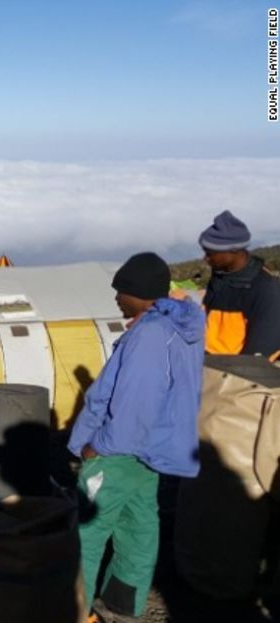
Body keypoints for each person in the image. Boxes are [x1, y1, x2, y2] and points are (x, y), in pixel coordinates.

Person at [67, 252, 205, 621]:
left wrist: (98, 447)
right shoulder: (177, 328)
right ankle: (121, 605)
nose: (116, 299)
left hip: (118, 452)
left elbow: (135, 405)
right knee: (138, 530)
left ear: (142, 294)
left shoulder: (149, 336)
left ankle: (72, 610)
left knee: (86, 533)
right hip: (150, 452)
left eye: (122, 292)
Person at [198, 210, 280, 360]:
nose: (205, 259)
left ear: (233, 251)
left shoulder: (267, 290)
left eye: (210, 253)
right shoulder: (219, 278)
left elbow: (258, 360)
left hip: (237, 377)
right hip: (207, 366)